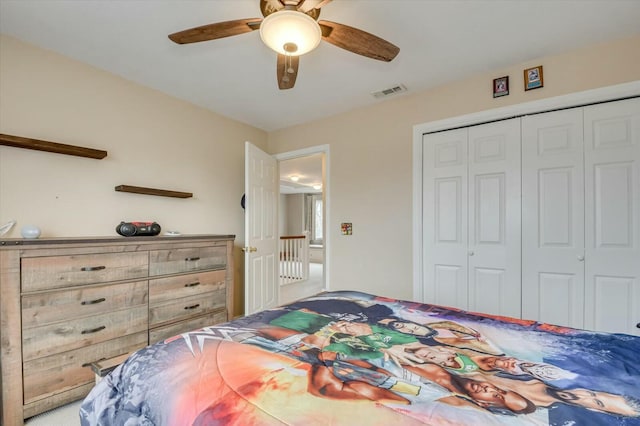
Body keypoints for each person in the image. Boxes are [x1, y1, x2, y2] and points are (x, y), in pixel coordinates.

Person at [466, 373, 640, 417]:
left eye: (597, 403)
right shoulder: (536, 378)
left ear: (596, 411)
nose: (583, 396)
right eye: (591, 393)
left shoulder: (524, 408)